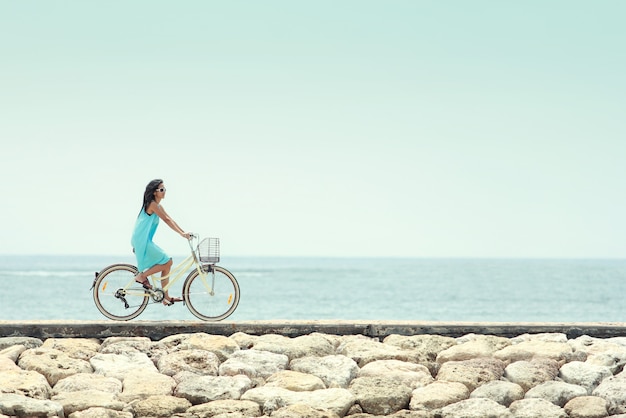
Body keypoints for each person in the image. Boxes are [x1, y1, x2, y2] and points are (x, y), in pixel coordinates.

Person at [131, 179, 190, 306]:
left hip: (144, 240)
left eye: (165, 189)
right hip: (142, 241)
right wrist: (182, 234)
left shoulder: (157, 206)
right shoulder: (152, 205)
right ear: (154, 192)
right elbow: (166, 220)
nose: (164, 192)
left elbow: (170, 219)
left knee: (166, 264)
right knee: (167, 261)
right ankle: (142, 276)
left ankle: (166, 297)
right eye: (161, 190)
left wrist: (183, 232)